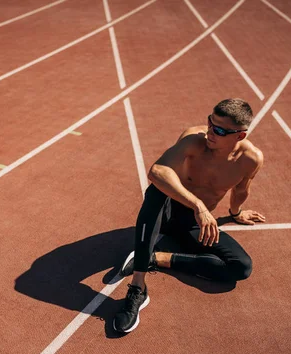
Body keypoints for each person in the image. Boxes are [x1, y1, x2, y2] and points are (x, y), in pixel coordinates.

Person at [112, 98, 266, 333]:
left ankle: (157, 258)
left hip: (191, 224)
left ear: (240, 136)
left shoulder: (251, 159)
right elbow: (158, 171)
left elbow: (241, 189)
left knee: (241, 268)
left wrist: (236, 213)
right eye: (210, 123)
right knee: (156, 193)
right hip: (168, 210)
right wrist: (198, 206)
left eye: (221, 130)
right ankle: (138, 288)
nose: (211, 132)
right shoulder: (194, 140)